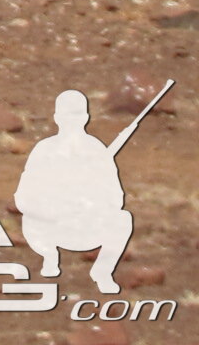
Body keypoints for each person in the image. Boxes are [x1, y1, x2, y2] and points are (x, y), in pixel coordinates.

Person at [15, 90, 134, 293]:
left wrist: (91, 203)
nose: (72, 120)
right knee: (30, 220)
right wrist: (52, 208)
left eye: (77, 114)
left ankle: (103, 271)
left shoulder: (98, 151)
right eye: (67, 114)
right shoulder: (44, 150)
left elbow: (116, 197)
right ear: (57, 118)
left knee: (123, 219)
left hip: (86, 226)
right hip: (50, 227)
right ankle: (50, 258)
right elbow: (23, 197)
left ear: (86, 117)